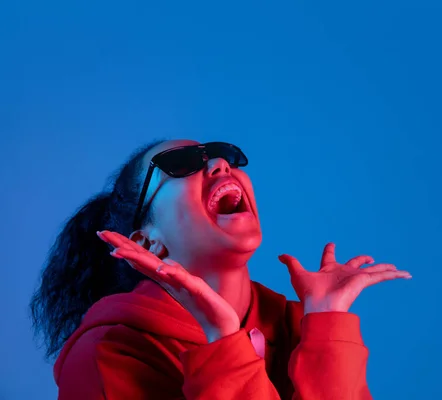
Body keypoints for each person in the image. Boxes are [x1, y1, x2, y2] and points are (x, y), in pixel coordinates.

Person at [30, 139, 412, 399]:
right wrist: (226, 342)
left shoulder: (303, 327)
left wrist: (327, 321)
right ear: (147, 243)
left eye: (220, 153)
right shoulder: (106, 355)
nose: (218, 163)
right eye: (180, 165)